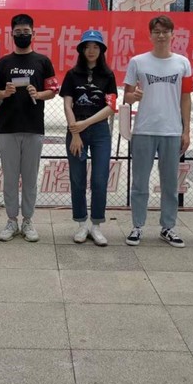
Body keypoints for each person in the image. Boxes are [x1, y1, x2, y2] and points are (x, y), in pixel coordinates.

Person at [123, 15, 193, 247]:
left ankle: (168, 227)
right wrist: (133, 96)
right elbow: (126, 96)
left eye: (165, 31)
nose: (161, 35)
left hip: (172, 131)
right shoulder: (137, 62)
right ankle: (137, 226)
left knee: (170, 184)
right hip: (144, 129)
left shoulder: (182, 63)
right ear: (150, 35)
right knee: (140, 183)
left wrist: (186, 130)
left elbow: (186, 98)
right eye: (157, 32)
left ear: (173, 34)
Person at [0, 13, 59, 242]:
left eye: (26, 32)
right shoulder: (4, 62)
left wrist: (38, 94)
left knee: (30, 178)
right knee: (10, 178)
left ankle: (28, 220)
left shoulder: (42, 61)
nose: (22, 35)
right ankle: (11, 220)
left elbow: (53, 90)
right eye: (18, 32)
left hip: (33, 127)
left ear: (33, 33)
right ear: (12, 34)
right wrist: (5, 92)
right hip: (7, 128)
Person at [61, 30, 117, 246]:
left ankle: (96, 225)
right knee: (77, 178)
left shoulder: (108, 75)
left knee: (100, 178)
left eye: (95, 47)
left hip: (100, 131)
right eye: (87, 47)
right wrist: (76, 133)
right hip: (76, 130)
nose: (91, 51)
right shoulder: (72, 75)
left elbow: (111, 107)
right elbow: (67, 105)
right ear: (81, 50)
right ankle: (81, 223)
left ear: (101, 50)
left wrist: (86, 123)